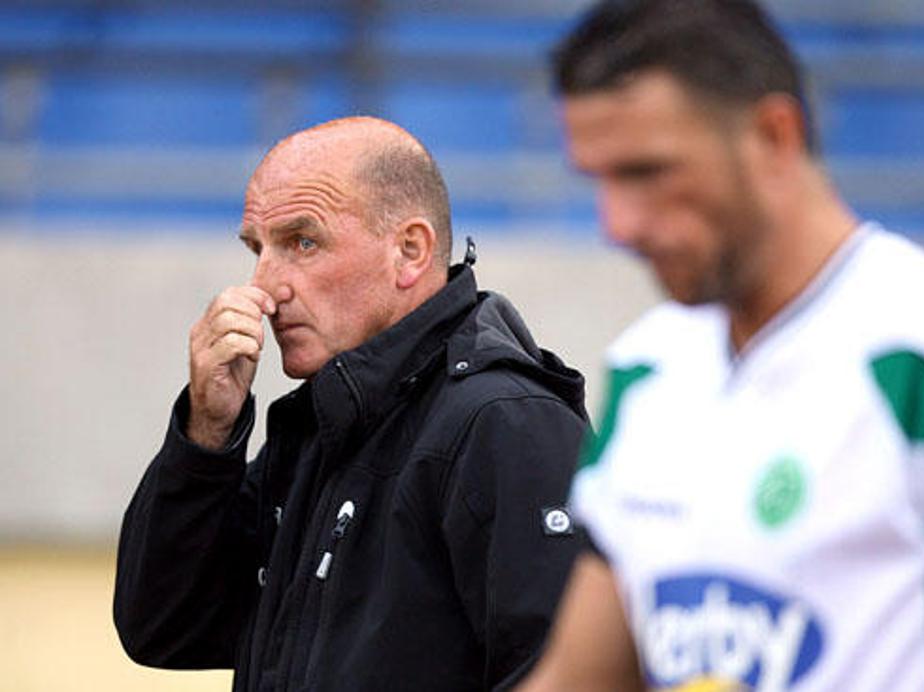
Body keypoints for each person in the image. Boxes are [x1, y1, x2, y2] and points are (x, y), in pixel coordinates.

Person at [519, 1, 924, 690]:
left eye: (647, 172)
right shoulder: (648, 370)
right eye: (598, 180)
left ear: (774, 135)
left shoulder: (920, 351)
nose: (617, 225)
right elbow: (578, 676)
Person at [114, 116, 589, 691]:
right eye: (257, 249)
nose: (264, 288)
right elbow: (164, 626)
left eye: (303, 243)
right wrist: (207, 434)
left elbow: (580, 678)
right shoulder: (324, 424)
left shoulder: (505, 422)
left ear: (410, 251)